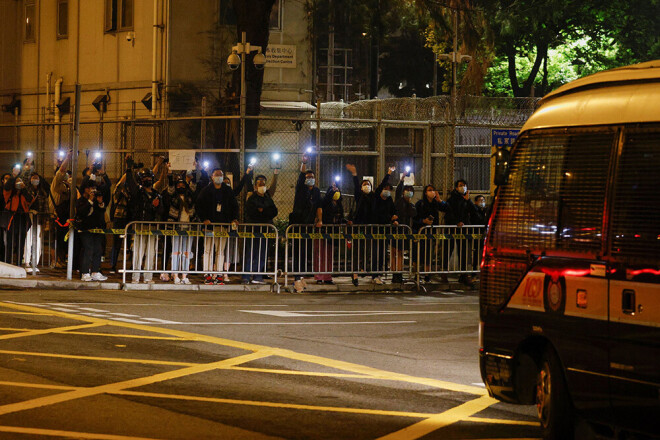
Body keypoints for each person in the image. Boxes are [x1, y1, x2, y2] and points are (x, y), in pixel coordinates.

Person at [345, 163, 391, 286]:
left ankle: (371, 273)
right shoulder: (359, 196)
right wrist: (354, 174)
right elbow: (355, 185)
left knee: (371, 251)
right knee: (357, 250)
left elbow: (381, 186)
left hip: (371, 228)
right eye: (364, 184)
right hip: (359, 227)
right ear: (361, 188)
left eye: (368, 184)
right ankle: (355, 274)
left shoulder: (374, 197)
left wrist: (388, 174)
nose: (367, 186)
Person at [125, 156, 166, 284]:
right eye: (145, 178)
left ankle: (148, 277)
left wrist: (157, 205)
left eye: (149, 177)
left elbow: (161, 211)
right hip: (139, 226)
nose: (148, 179)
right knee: (138, 252)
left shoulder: (156, 194)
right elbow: (131, 184)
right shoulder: (138, 192)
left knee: (151, 253)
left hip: (152, 227)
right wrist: (128, 168)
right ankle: (135, 277)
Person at [195, 168, 239, 285]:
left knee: (220, 251)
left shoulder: (228, 190)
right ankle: (207, 274)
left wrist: (234, 218)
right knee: (207, 250)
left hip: (223, 225)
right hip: (209, 226)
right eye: (216, 174)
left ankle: (219, 274)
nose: (219, 176)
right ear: (212, 177)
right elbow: (199, 205)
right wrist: (204, 219)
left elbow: (235, 205)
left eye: (221, 174)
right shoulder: (206, 190)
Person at [289, 155, 322, 293]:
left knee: (305, 252)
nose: (310, 178)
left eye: (312, 176)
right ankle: (296, 279)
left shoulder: (316, 191)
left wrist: (319, 220)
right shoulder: (301, 189)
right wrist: (303, 162)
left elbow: (319, 206)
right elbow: (301, 175)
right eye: (308, 176)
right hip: (298, 224)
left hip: (309, 225)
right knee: (297, 252)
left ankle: (301, 275)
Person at [444, 179, 479, 287]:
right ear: (456, 188)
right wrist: (456, 222)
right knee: (448, 250)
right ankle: (444, 272)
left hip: (464, 230)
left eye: (464, 185)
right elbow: (449, 213)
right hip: (452, 228)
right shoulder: (452, 200)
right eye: (460, 185)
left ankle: (463, 274)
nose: (462, 187)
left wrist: (468, 201)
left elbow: (475, 211)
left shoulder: (467, 199)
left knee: (463, 252)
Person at [243, 174, 278, 284]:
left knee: (262, 253)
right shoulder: (251, 198)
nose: (262, 185)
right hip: (253, 229)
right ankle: (246, 276)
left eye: (263, 183)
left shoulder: (268, 198)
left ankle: (258, 276)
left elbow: (273, 211)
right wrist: (262, 212)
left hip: (265, 230)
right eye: (259, 183)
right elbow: (251, 212)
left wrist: (263, 211)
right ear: (255, 186)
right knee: (250, 253)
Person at [413, 184, 451, 283]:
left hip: (431, 233)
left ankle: (427, 276)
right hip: (420, 232)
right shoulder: (420, 204)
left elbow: (448, 209)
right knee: (418, 255)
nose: (432, 192)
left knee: (428, 255)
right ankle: (416, 275)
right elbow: (414, 219)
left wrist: (440, 200)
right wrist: (423, 221)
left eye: (433, 190)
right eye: (430, 190)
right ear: (425, 193)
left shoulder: (436, 204)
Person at [75, 180, 108, 282]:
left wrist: (100, 202)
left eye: (94, 188)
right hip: (85, 229)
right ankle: (85, 272)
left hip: (97, 229)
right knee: (88, 249)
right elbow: (82, 212)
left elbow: (102, 211)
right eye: (90, 188)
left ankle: (95, 271)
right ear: (85, 189)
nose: (92, 190)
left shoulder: (95, 201)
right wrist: (89, 201)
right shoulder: (81, 200)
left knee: (98, 249)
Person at [314, 181, 345, 284]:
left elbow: (340, 217)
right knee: (320, 254)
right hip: (323, 231)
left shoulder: (339, 204)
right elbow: (321, 209)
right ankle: (319, 276)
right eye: (333, 189)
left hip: (333, 232)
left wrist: (346, 221)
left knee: (329, 255)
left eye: (337, 189)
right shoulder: (324, 202)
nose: (336, 191)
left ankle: (327, 276)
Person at [167, 178, 196, 284]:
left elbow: (194, 186)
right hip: (176, 227)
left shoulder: (190, 197)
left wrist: (194, 171)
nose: (180, 187)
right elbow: (170, 189)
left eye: (183, 185)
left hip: (188, 227)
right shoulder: (174, 197)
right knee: (175, 252)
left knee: (187, 252)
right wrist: (170, 174)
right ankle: (175, 275)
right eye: (178, 185)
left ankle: (184, 275)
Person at [50, 151, 76, 267]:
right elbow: (61, 171)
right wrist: (67, 158)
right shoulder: (56, 184)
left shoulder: (66, 186)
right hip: (55, 215)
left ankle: (60, 260)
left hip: (63, 216)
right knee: (54, 239)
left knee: (62, 240)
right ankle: (54, 261)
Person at [392, 170, 416, 283]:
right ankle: (394, 274)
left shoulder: (411, 205)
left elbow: (413, 215)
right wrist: (402, 179)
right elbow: (397, 191)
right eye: (407, 190)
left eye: (411, 191)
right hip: (396, 230)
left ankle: (399, 273)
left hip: (405, 231)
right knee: (394, 252)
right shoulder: (398, 201)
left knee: (401, 253)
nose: (408, 192)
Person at [23, 171, 50, 272]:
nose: (35, 180)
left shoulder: (42, 192)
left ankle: (35, 263)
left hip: (39, 219)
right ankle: (26, 262)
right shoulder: (27, 191)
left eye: (37, 178)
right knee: (28, 240)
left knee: (38, 242)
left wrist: (46, 220)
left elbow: (46, 207)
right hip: (29, 219)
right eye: (33, 178)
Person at [2, 170, 31, 266]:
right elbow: (6, 187)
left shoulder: (23, 194)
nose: (19, 183)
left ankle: (19, 264)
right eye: (17, 182)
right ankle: (8, 263)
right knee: (10, 243)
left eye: (20, 182)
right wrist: (14, 176)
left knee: (21, 243)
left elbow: (31, 200)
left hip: (22, 219)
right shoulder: (9, 193)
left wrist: (24, 188)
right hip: (12, 219)